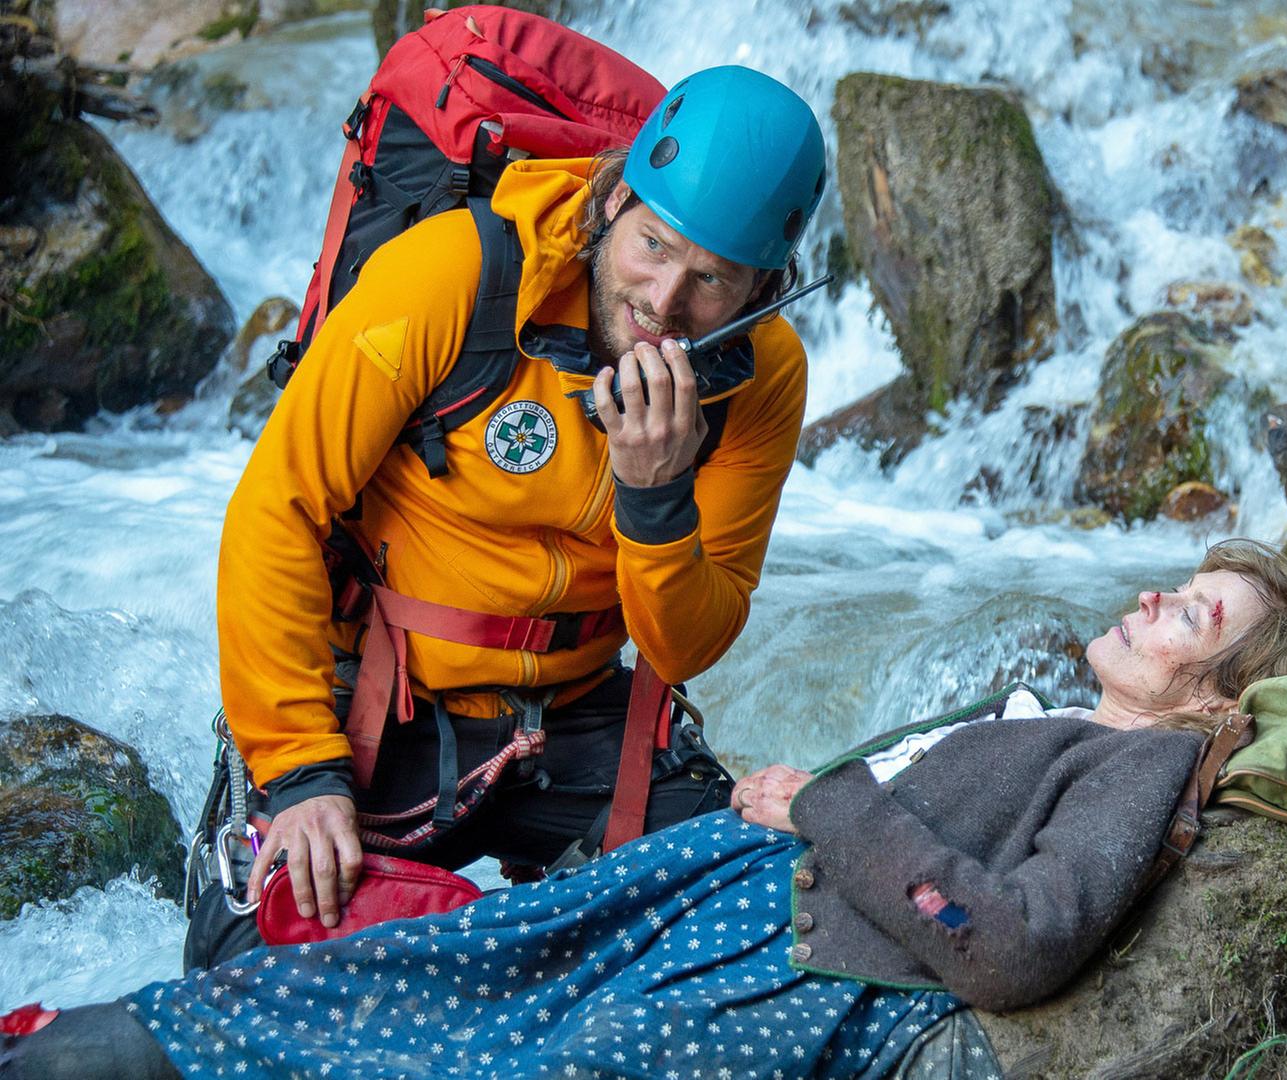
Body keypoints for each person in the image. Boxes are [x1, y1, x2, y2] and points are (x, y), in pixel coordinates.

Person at [5, 540, 1287, 1079]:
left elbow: (1016, 941)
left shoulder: (1141, 767)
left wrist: (826, 809)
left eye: (1196, 617)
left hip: (793, 975)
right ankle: (66, 1048)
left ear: (1217, 698)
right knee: (413, 974)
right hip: (717, 896)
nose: (1157, 598)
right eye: (1182, 586)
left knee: (491, 1057)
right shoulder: (1068, 718)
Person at [190, 65, 829, 967]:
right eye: (653, 243)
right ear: (613, 200)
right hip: (389, 695)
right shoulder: (456, 272)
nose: (665, 304)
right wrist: (299, 771)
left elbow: (685, 648)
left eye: (713, 280)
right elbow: (277, 509)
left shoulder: (762, 377)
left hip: (574, 713)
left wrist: (653, 496)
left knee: (767, 918)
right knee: (254, 963)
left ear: (764, 288)